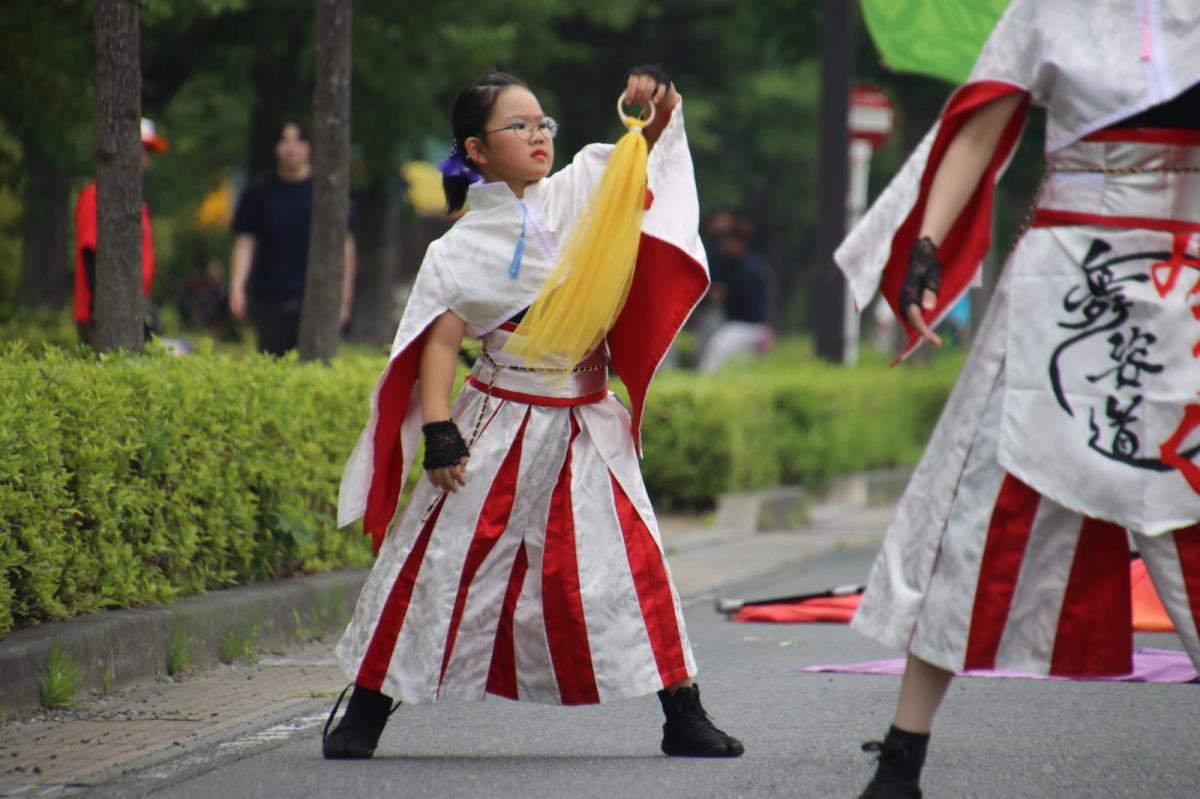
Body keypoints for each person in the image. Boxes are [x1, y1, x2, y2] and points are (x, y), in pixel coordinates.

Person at [322, 67, 743, 761]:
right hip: (495, 421)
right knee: (437, 558)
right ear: (476, 150)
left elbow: (651, 156)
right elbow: (441, 340)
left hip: (585, 418)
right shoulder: (456, 248)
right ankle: (367, 707)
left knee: (635, 562)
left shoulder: (578, 189)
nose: (539, 134)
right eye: (518, 126)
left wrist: (659, 104)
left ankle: (683, 712)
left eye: (543, 122)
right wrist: (437, 428)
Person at [836, 2, 1200, 796]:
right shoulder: (1048, 10)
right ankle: (902, 754)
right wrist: (926, 244)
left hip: (1186, 291)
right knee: (975, 508)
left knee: (1192, 514)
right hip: (1065, 281)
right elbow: (978, 122)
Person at [228, 118, 357, 356]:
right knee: (270, 364)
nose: (291, 148)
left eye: (299, 140)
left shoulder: (327, 193)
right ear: (275, 147)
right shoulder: (258, 192)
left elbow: (344, 246)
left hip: (315, 296)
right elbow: (245, 241)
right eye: (285, 140)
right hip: (269, 296)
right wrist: (237, 286)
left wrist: (344, 300)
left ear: (310, 147)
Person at [74, 117, 167, 345]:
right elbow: (91, 254)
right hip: (106, 314)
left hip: (130, 310)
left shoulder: (135, 202)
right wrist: (102, 309)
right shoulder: (99, 195)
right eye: (139, 148)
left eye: (147, 151)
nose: (144, 158)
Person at [698, 216, 772, 372]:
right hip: (742, 326)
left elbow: (746, 295)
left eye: (727, 242)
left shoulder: (750, 267)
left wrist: (725, 293)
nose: (724, 247)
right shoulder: (737, 263)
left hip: (747, 326)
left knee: (712, 358)